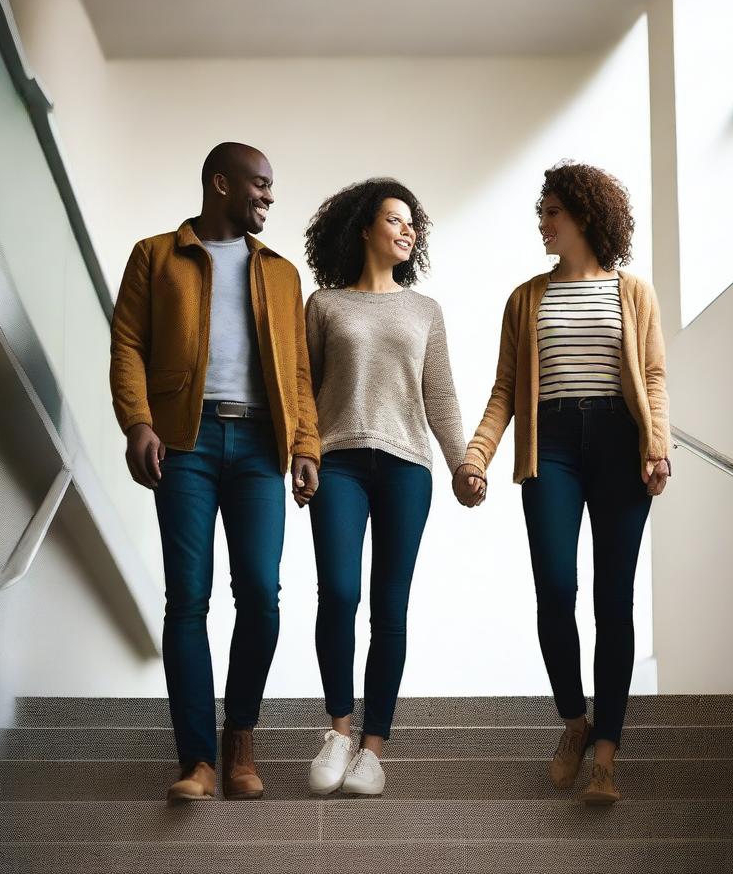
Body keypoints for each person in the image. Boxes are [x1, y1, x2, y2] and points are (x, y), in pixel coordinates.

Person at [109, 142, 320, 802]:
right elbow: (129, 345)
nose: (268, 196)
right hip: (186, 444)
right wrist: (138, 422)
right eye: (259, 184)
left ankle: (241, 739)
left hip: (261, 447)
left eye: (271, 186)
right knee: (188, 599)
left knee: (261, 594)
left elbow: (299, 373)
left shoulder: (283, 274)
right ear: (220, 183)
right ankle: (197, 760)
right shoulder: (155, 256)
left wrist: (307, 446)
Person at [453, 161, 670, 805]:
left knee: (614, 598)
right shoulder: (526, 298)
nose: (543, 223)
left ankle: (605, 755)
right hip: (550, 448)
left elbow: (652, 378)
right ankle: (573, 722)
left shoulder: (633, 292)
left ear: (584, 215)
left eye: (552, 212)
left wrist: (657, 445)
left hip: (618, 444)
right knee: (555, 586)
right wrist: (476, 456)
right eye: (541, 213)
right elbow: (504, 391)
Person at [301, 179, 466, 797]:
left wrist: (461, 463)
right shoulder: (324, 305)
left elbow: (441, 395)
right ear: (365, 228)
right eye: (395, 220)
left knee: (388, 605)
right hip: (339, 462)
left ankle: (374, 747)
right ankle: (339, 729)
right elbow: (304, 390)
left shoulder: (424, 310)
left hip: (406, 468)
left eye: (412, 224)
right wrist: (303, 452)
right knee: (339, 593)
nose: (407, 231)